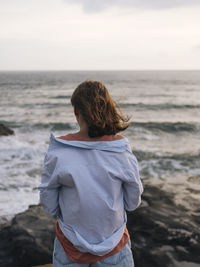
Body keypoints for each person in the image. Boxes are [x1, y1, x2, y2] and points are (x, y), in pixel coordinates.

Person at [38, 80, 143, 267]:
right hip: (114, 245)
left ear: (76, 111)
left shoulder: (59, 152)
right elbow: (133, 202)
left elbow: (48, 204)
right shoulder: (121, 152)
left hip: (70, 246)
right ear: (109, 109)